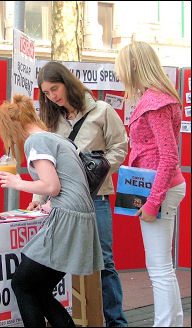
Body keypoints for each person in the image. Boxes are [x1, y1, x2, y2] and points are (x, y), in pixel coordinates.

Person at [28, 61, 128, 327]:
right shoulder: (51, 121)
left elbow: (121, 146)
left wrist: (101, 167)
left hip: (97, 199)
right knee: (60, 262)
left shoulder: (102, 111)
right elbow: (46, 164)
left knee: (105, 263)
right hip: (65, 203)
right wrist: (38, 198)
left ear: (66, 82)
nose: (53, 96)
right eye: (46, 93)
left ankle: (116, 322)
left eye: (55, 88)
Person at [0, 94, 104, 327]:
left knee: (23, 284)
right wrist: (47, 202)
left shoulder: (35, 141)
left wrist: (17, 183)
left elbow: (51, 186)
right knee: (39, 288)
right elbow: (66, 183)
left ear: (14, 124)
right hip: (78, 216)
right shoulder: (55, 138)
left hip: (67, 218)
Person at [115, 41, 186, 327]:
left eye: (122, 68)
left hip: (159, 187)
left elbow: (168, 156)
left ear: (134, 64)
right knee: (163, 267)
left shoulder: (154, 102)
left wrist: (153, 202)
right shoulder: (162, 96)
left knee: (158, 269)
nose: (121, 76)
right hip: (163, 185)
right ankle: (173, 322)